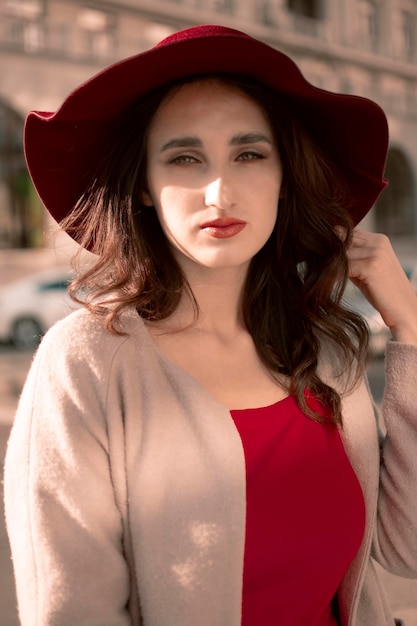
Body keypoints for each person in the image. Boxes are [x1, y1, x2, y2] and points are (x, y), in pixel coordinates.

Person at [4, 24, 417, 626]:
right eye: (185, 158)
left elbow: (406, 548)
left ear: (284, 177)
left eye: (249, 154)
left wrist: (408, 326)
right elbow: (72, 611)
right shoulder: (86, 364)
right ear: (144, 186)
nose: (219, 191)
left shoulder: (324, 352)